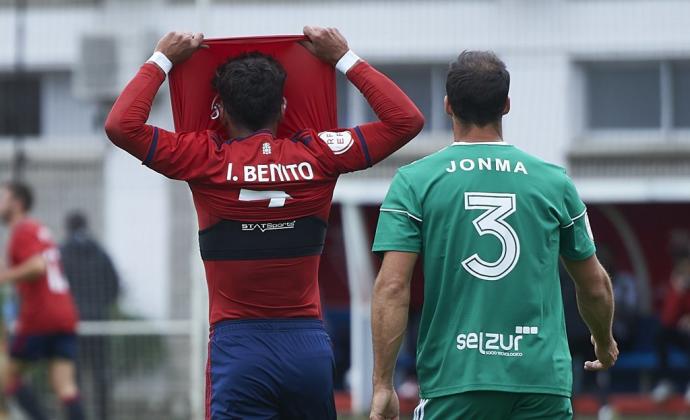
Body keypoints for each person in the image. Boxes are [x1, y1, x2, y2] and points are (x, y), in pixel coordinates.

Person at [105, 28, 423, 419]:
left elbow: (122, 125)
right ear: (284, 108)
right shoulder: (320, 153)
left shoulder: (204, 158)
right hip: (307, 347)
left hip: (238, 349)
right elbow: (405, 120)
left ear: (219, 110)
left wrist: (161, 60)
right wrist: (344, 57)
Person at [369, 51, 618, 420]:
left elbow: (392, 288)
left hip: (457, 380)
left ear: (448, 106)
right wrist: (604, 339)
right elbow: (594, 284)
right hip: (541, 381)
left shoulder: (414, 181)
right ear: (507, 105)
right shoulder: (553, 181)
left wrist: (383, 386)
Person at [0, 182, 85, 420]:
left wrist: (4, 276)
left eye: (2, 197)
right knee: (65, 386)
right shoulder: (37, 229)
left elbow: (37, 266)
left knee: (6, 379)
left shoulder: (21, 231)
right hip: (64, 314)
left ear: (17, 203)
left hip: (40, 316)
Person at [61, 211, 120, 420]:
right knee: (100, 372)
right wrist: (100, 306)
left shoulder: (62, 253)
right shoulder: (99, 251)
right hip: (98, 321)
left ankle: (76, 416)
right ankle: (103, 414)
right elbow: (114, 284)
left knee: (72, 376)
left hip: (73, 323)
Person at [652, 257, 690, 403]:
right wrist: (678, 292)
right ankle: (665, 382)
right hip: (679, 334)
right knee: (660, 335)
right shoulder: (676, 290)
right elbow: (667, 319)